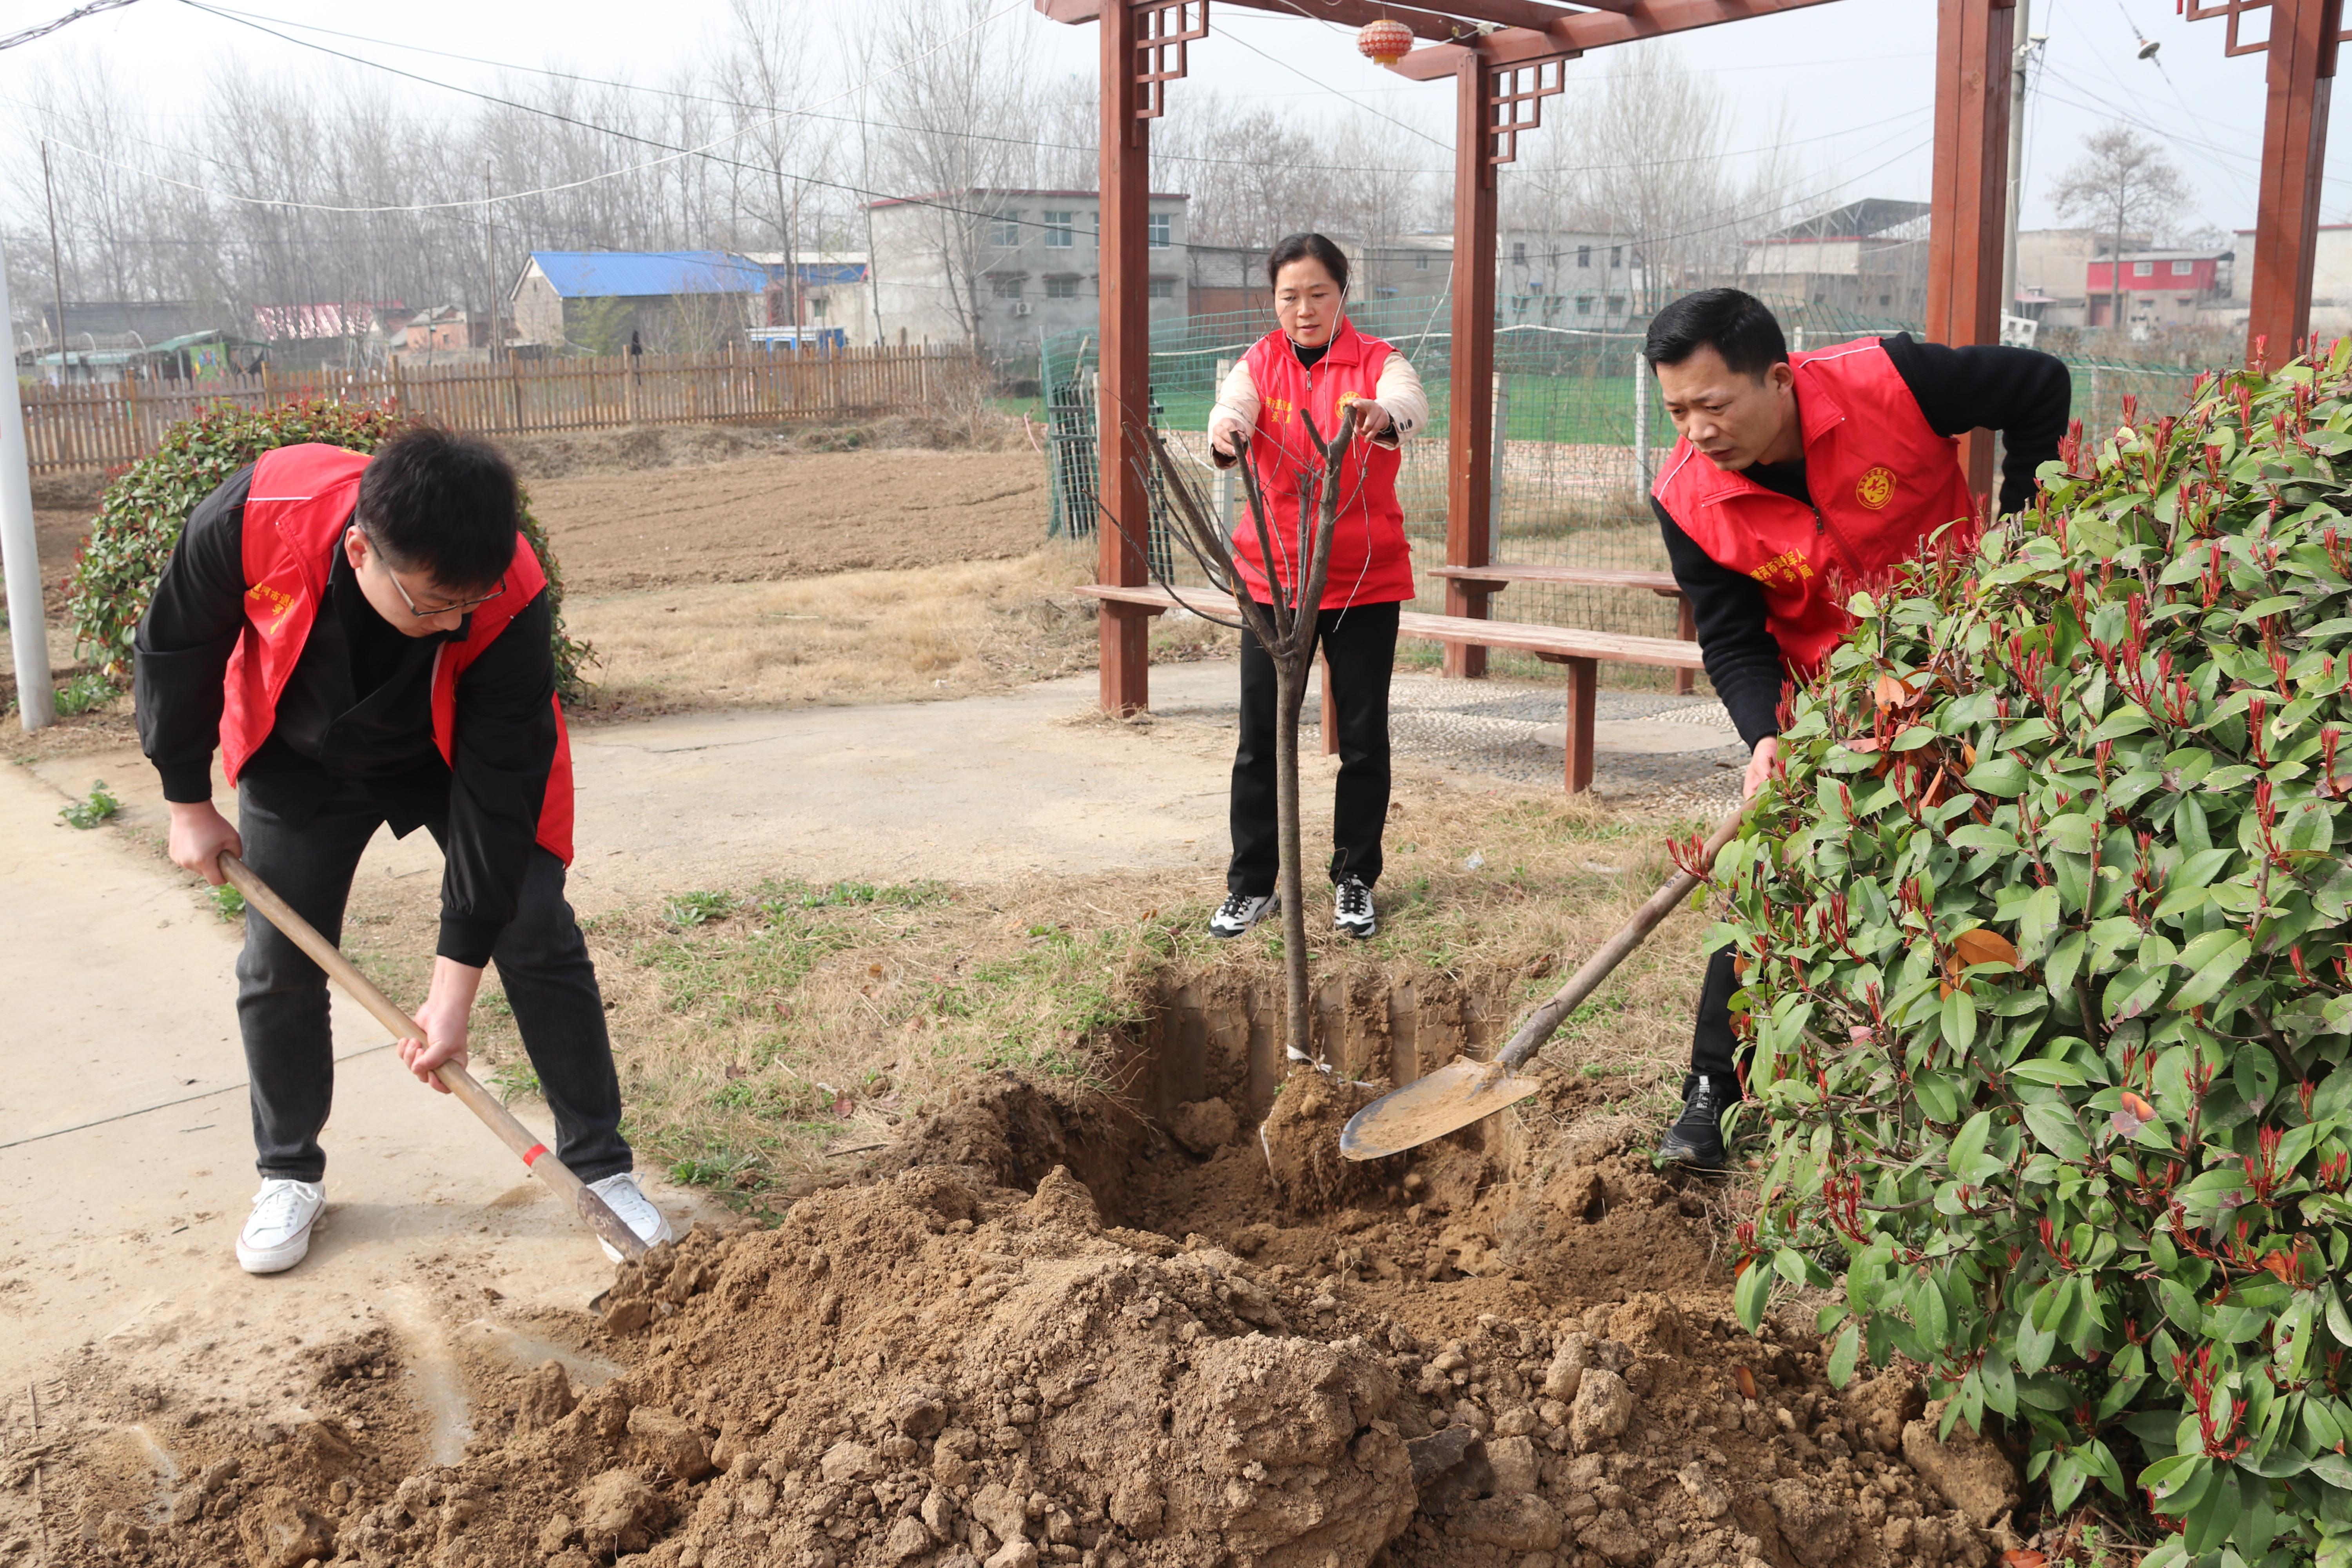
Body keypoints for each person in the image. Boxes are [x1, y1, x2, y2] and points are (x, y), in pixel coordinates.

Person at [133, 425, 672, 1272]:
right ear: (359, 549)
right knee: (279, 959)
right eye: (430, 603)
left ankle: (602, 1170)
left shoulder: (510, 593)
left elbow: (500, 799)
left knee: (532, 922)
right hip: (300, 748)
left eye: (469, 602)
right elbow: (177, 649)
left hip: (447, 752)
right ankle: (288, 1173)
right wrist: (186, 799)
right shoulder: (257, 514)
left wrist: (451, 994)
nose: (454, 619)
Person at [1645, 288, 2071, 1168]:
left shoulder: (1893, 379)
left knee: (2001, 862)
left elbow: (2041, 387)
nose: (1696, 429)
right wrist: (1766, 734)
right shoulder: (1688, 498)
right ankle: (1713, 1092)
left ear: (1778, 375)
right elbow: (1732, 636)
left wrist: (2029, 543)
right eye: (1677, 409)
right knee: (1764, 879)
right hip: (1831, 704)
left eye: (1712, 404)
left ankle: (2008, 1085)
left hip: (1970, 664)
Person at [1203, 232, 1429, 944]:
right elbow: (1232, 408)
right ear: (1273, 301)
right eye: (1289, 297)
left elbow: (1409, 402)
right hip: (1272, 581)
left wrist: (1381, 417)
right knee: (1260, 738)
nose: (1303, 310)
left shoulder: (1377, 360)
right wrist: (1227, 429)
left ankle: (1355, 879)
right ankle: (1252, 885)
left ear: (1342, 295)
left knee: (1363, 737)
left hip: (1363, 578)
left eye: (1318, 295)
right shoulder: (1260, 362)